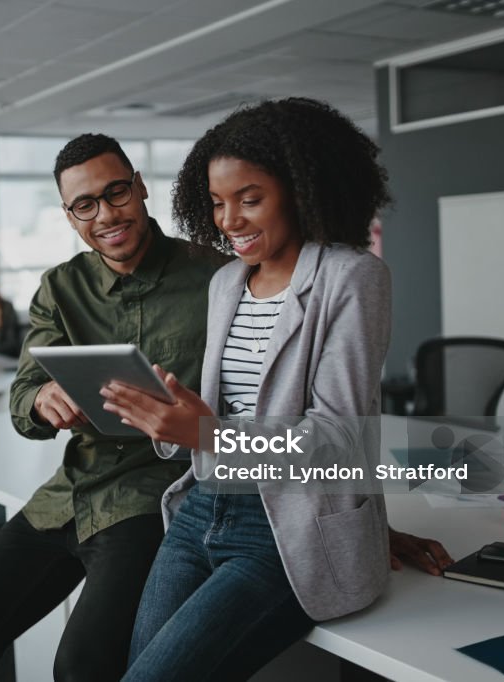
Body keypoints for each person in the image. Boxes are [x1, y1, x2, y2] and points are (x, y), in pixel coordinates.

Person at [0, 133, 451, 682]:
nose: (105, 214)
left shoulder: (219, 273)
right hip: (96, 493)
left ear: (141, 186)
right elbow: (25, 395)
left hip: (159, 499)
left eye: (117, 192)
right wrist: (40, 398)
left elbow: (326, 422)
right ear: (69, 214)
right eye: (85, 204)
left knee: (84, 670)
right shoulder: (69, 287)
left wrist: (359, 521)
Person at [100, 98, 452, 682]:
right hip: (202, 509)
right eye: (216, 203)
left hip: (286, 528)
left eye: (250, 198)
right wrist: (170, 418)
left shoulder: (353, 278)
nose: (228, 219)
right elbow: (225, 415)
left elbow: (338, 438)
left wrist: (208, 431)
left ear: (300, 190)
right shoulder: (226, 283)